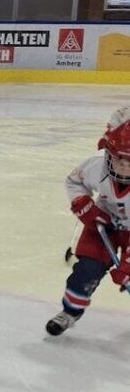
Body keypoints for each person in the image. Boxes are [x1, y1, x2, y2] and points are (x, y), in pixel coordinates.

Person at [46, 122, 130, 336]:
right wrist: (84, 206)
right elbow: (74, 181)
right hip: (103, 225)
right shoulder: (97, 164)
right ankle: (70, 312)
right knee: (86, 271)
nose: (123, 166)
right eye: (118, 158)